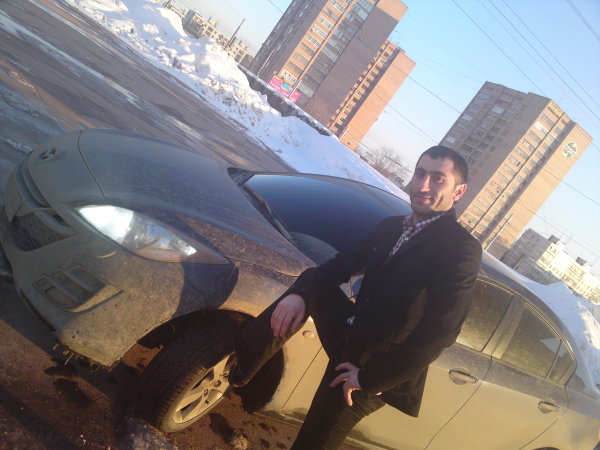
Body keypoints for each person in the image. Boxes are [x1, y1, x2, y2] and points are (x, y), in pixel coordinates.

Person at [230, 145, 482, 449]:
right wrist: (299, 294)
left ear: (458, 191)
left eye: (438, 178)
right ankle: (241, 367)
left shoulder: (460, 248)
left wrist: (370, 379)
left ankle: (244, 367)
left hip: (372, 369)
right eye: (420, 174)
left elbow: (441, 330)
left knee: (312, 442)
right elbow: (341, 266)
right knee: (312, 282)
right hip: (349, 339)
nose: (423, 185)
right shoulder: (392, 227)